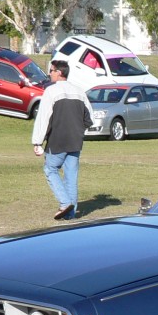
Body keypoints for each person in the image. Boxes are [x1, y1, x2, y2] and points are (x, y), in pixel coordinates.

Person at [32, 60, 93, 220]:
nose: (49, 73)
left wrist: (37, 141)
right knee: (71, 177)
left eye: (51, 70)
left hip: (57, 141)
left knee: (50, 170)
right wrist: (79, 131)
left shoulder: (51, 91)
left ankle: (65, 203)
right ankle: (70, 215)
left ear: (59, 72)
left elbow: (43, 118)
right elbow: (89, 118)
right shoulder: (79, 92)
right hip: (75, 141)